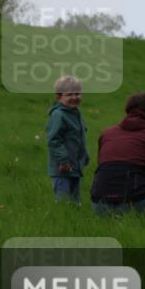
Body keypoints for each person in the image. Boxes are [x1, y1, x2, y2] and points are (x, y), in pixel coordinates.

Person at [46, 75, 90, 205]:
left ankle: (74, 221)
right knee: (63, 201)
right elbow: (54, 140)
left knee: (76, 202)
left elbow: (79, 138)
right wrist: (64, 161)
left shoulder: (76, 113)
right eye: (69, 94)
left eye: (78, 93)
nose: (75, 97)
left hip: (75, 166)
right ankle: (61, 221)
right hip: (62, 168)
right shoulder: (59, 115)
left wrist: (84, 156)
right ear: (59, 97)